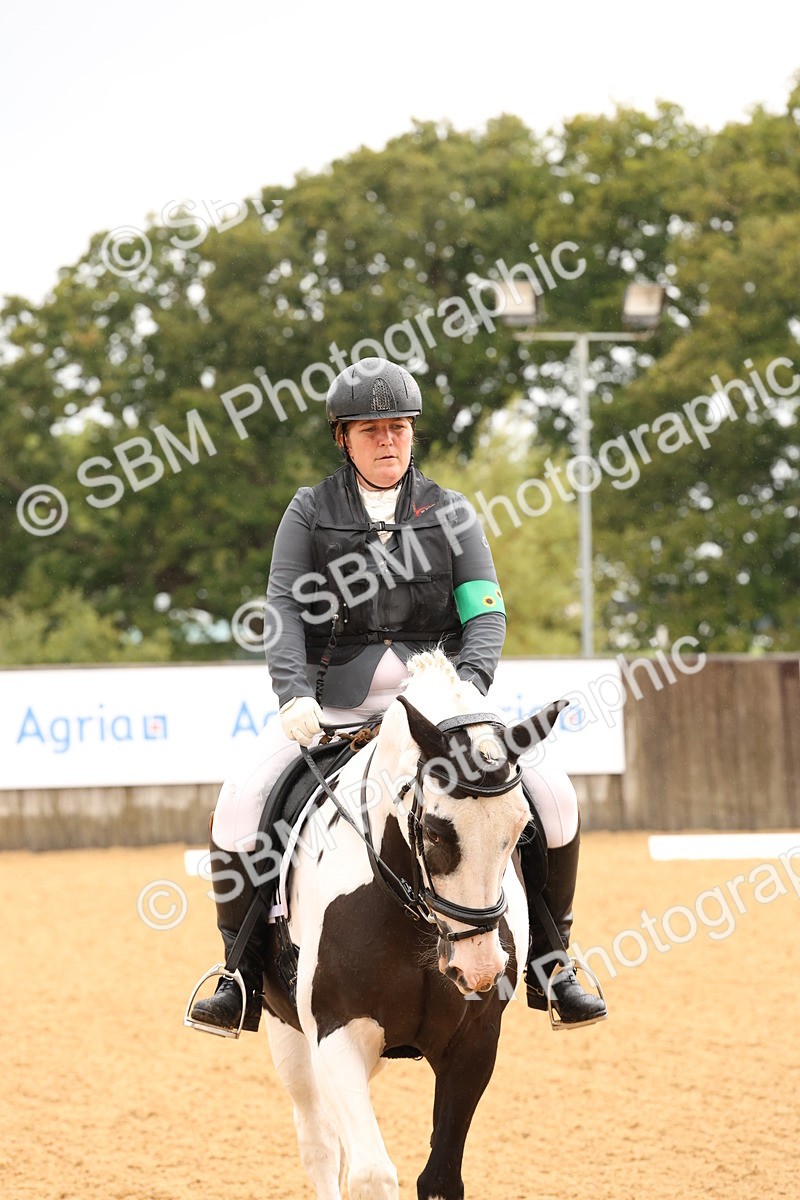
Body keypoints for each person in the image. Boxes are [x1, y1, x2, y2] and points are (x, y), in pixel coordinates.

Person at [190, 357, 607, 1034]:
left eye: (399, 427)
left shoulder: (452, 513)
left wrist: (463, 694)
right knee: (239, 803)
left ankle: (554, 964)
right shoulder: (310, 511)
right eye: (371, 429)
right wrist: (294, 693)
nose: (388, 440)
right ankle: (237, 973)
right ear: (344, 438)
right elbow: (284, 612)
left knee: (554, 796)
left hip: (438, 714)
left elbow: (485, 614)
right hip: (335, 709)